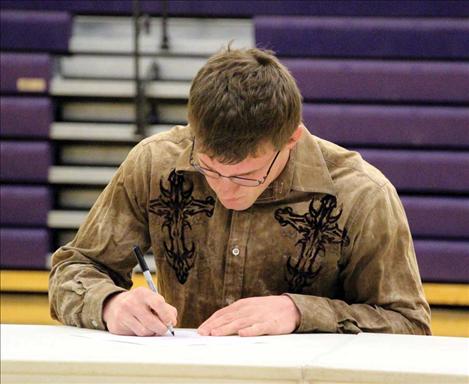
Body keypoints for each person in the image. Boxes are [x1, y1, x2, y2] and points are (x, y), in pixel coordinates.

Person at [49, 46, 431, 337]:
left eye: (247, 175)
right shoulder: (155, 162)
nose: (224, 189)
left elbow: (409, 324)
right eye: (209, 169)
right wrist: (111, 303)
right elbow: (73, 269)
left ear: (291, 138)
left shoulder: (361, 194)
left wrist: (300, 312)